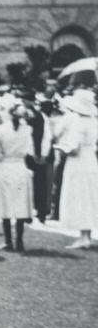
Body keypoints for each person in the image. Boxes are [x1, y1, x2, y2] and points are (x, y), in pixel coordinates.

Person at [0, 104, 35, 251]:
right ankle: (19, 241)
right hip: (19, 167)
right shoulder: (28, 130)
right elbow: (30, 151)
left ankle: (8, 241)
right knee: (19, 205)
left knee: (5, 205)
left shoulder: (2, 129)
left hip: (5, 167)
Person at [57, 89, 98, 249]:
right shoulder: (93, 121)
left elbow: (74, 149)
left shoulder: (78, 124)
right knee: (88, 196)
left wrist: (61, 148)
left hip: (78, 163)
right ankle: (86, 235)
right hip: (91, 161)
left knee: (79, 197)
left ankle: (84, 236)